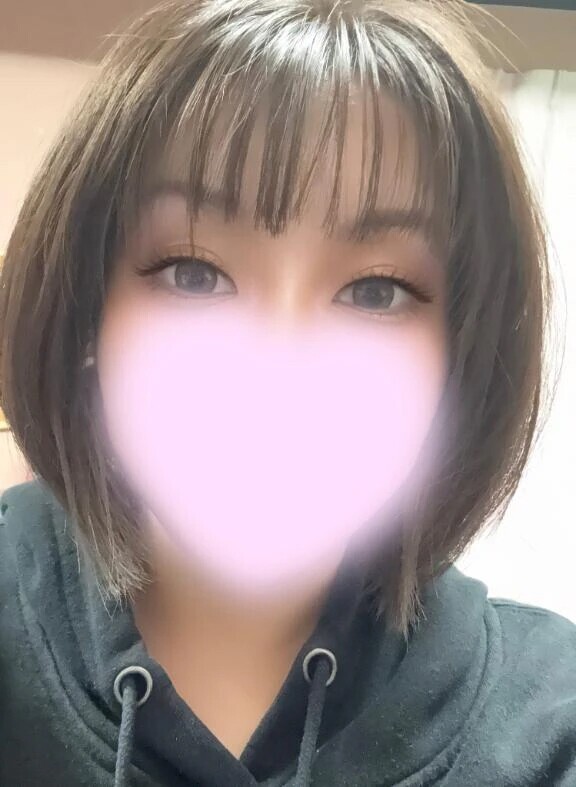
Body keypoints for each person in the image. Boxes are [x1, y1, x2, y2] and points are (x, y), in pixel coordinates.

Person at [0, 0, 573, 785]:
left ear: (462, 360)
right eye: (194, 273)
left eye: (375, 291)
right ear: (87, 312)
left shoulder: (548, 721)